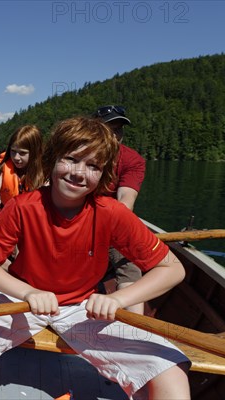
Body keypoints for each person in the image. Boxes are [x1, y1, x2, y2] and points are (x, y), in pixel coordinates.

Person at [0, 116, 190, 399]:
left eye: (93, 166)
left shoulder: (112, 212)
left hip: (83, 309)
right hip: (22, 302)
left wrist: (117, 299)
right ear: (52, 160)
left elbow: (172, 269)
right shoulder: (23, 207)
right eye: (71, 159)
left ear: (104, 174)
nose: (79, 173)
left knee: (170, 364)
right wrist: (28, 292)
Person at [95, 105, 146, 314]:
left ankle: (137, 331)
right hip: (76, 218)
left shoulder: (132, 160)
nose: (115, 135)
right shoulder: (79, 155)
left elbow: (126, 198)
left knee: (130, 267)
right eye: (109, 128)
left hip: (115, 221)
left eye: (119, 129)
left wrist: (111, 226)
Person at [0, 125, 45, 222]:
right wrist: (1, 226)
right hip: (5, 220)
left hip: (31, 222)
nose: (16, 157)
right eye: (13, 151)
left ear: (35, 152)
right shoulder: (3, 169)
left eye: (22, 153)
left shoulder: (45, 174)